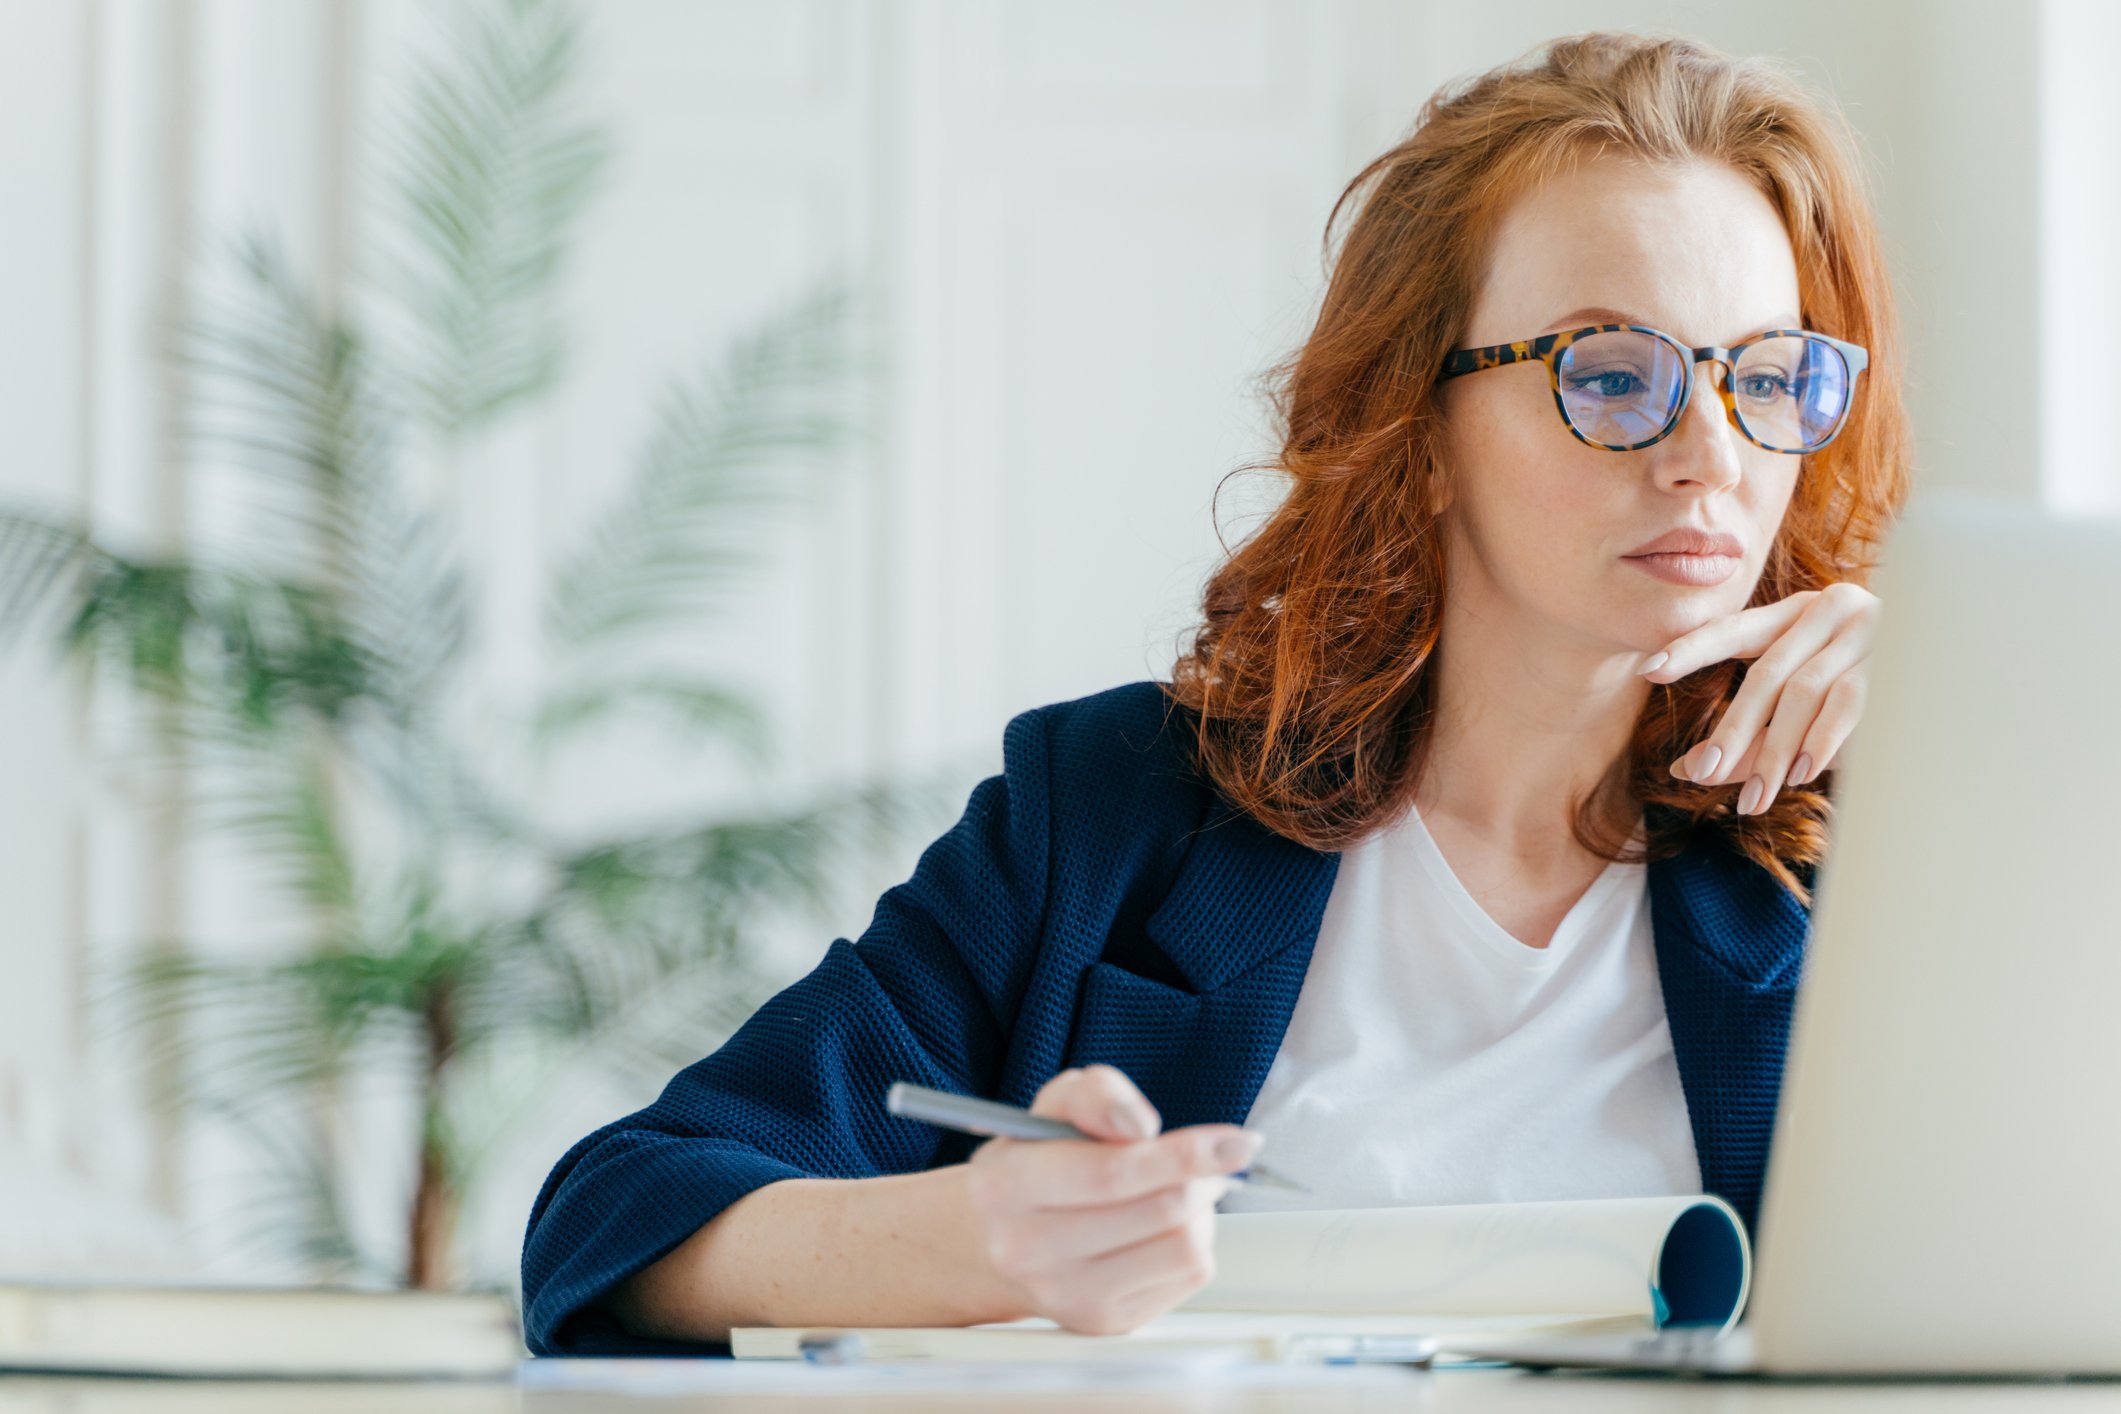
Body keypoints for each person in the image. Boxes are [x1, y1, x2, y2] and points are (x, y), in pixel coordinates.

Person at [519, 29, 1911, 1356]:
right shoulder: (1117, 813)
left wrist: (1963, 758)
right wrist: (977, 1241)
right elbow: (612, 1220)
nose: (1707, 456)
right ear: (1416, 432)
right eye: (1611, 376)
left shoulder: (1881, 834)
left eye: (1769, 376)